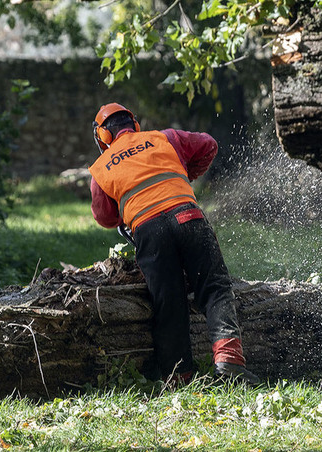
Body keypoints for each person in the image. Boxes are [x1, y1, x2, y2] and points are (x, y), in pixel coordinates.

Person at [88, 103, 259, 385]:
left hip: (148, 231)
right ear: (134, 124)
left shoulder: (100, 168)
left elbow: (105, 217)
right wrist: (183, 175)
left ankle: (178, 376)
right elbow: (208, 145)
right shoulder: (164, 137)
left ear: (103, 137)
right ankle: (228, 359)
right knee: (215, 287)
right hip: (188, 217)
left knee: (167, 303)